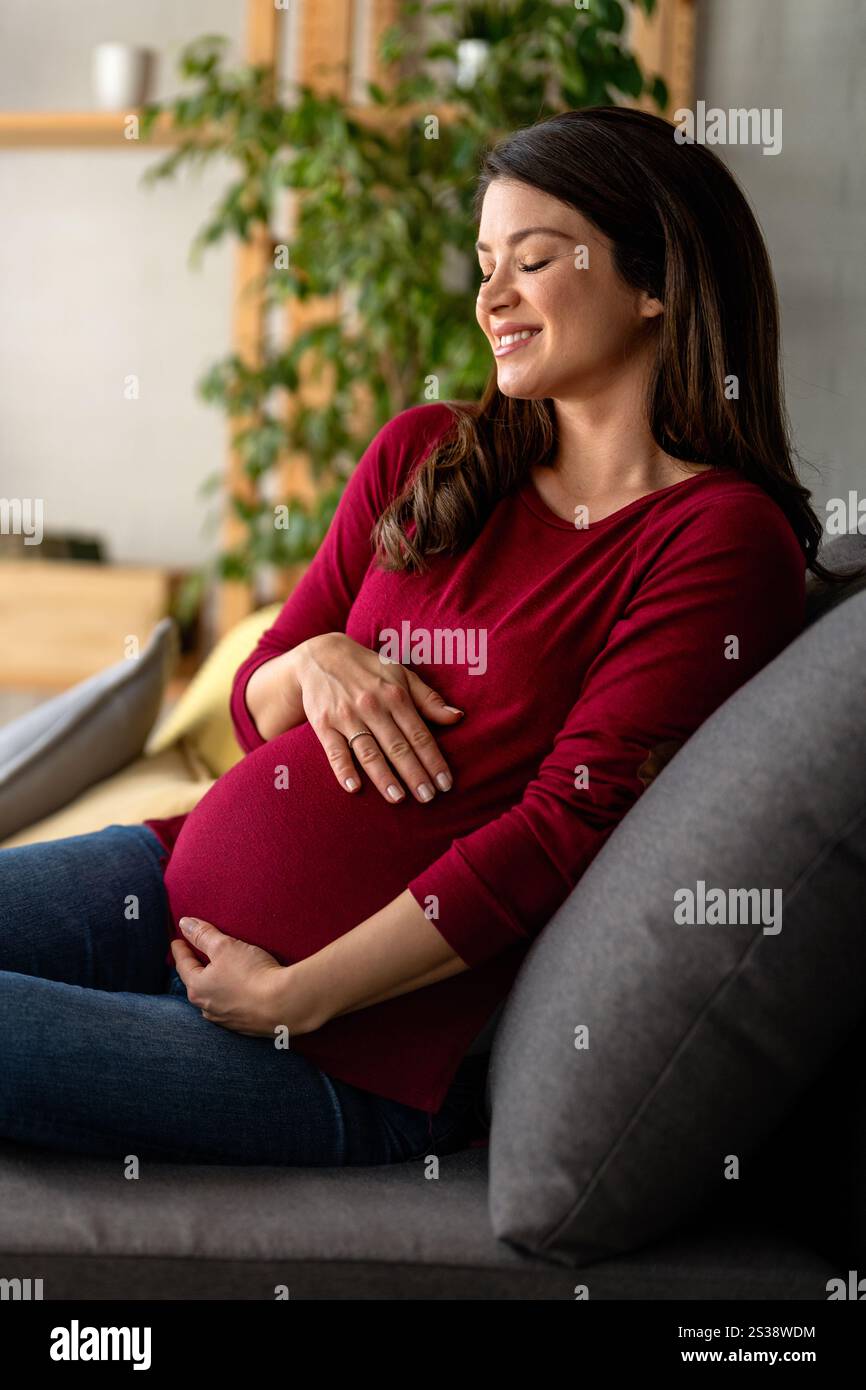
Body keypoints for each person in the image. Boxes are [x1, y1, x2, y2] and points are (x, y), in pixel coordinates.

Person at [0, 107, 834, 1168]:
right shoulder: (424, 454)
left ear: (654, 281)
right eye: (483, 262)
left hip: (344, 1050)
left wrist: (296, 995)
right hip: (160, 884)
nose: (489, 298)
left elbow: (560, 832)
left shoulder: (716, 538)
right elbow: (260, 700)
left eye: (531, 261)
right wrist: (312, 662)